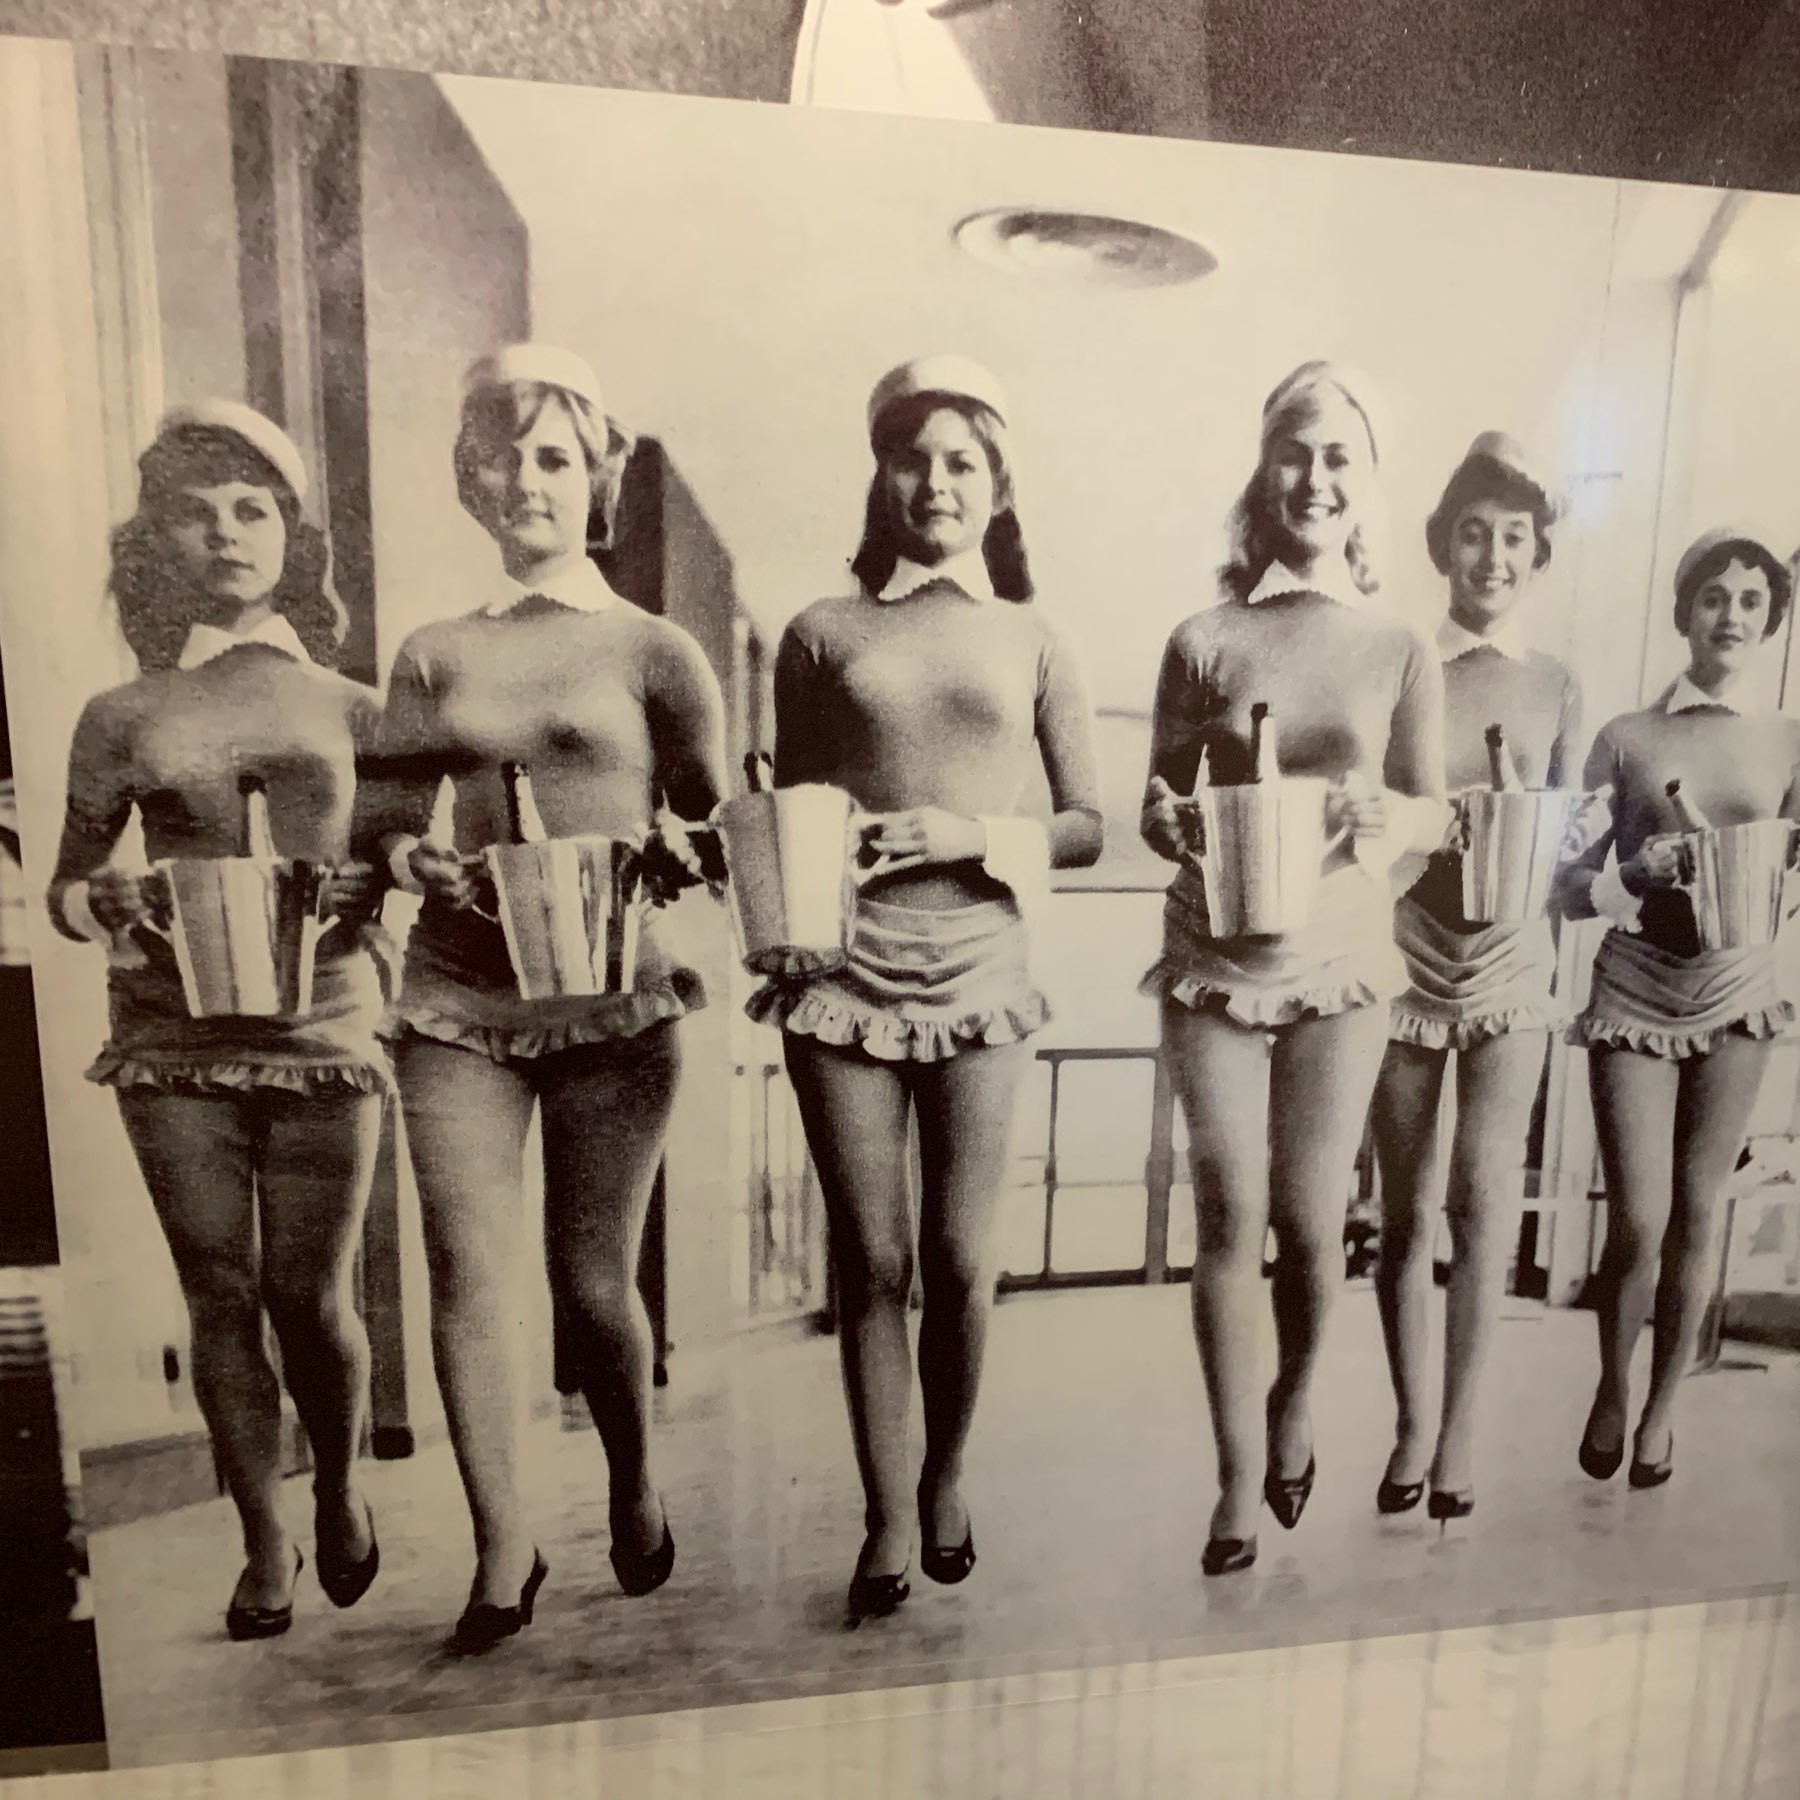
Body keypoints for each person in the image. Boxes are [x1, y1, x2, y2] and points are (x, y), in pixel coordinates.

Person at [354, 345, 726, 1655]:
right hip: (460, 989)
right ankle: (503, 1552)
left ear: (598, 481)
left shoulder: (657, 648)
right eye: (503, 456)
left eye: (555, 456)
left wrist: (688, 846)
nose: (527, 478)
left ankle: (629, 1480)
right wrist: (412, 858)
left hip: (613, 993)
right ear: (472, 480)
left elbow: (710, 816)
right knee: (466, 1265)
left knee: (590, 1286)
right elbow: (383, 830)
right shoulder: (432, 654)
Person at [756, 355, 1102, 1619]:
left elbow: (1087, 826)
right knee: (873, 1256)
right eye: (915, 457)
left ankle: (947, 1476)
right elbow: (793, 810)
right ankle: (887, 1512)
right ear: (882, 475)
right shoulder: (820, 632)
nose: (937, 480)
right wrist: (790, 916)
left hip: (980, 966)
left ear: (998, 485)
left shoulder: (1034, 636)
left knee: (959, 1258)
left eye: (963, 460)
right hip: (844, 977)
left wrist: (970, 836)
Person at [46, 402, 388, 1639]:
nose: (228, 533)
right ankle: (261, 1541)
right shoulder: (120, 713)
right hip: (169, 1032)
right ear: (161, 540)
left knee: (310, 1290)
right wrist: (107, 896)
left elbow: (409, 863)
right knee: (219, 1288)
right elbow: (65, 891)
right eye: (198, 513)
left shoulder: (358, 705)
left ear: (292, 537)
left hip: (323, 1023)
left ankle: (340, 1487)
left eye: (252, 511)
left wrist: (378, 883)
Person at [1140, 361, 1447, 1576]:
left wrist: (1395, 818)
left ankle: (1296, 1402)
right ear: (1261, 475)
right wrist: (1166, 821)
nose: (1314, 479)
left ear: (1365, 489)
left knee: (1313, 1224)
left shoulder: (1397, 643)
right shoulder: (1202, 639)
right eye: (1293, 454)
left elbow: (1434, 811)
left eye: (1338, 460)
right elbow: (1158, 800)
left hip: (1340, 955)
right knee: (1229, 1207)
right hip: (1213, 940)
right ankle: (1229, 1481)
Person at [1368, 432, 1580, 1527]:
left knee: (1484, 1203)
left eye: (1514, 538)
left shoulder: (1554, 685)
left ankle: (1459, 1435)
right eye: (1474, 534)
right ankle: (1409, 1419)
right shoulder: (1402, 665)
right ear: (1442, 545)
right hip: (1404, 957)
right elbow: (1371, 829)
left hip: (1513, 966)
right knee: (1403, 1212)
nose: (1492, 556)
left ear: (1536, 554)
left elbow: (1570, 844)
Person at [1558, 525, 1798, 1491]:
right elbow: (1565, 887)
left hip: (1738, 991)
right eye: (1713, 597)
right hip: (1633, 985)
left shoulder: (1790, 741)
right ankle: (1613, 1387)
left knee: (1701, 1212)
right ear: (1683, 613)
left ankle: (1661, 1413)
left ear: (1772, 620)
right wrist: (1632, 870)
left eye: (1750, 601)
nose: (1730, 616)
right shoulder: (1625, 736)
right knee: (1639, 1218)